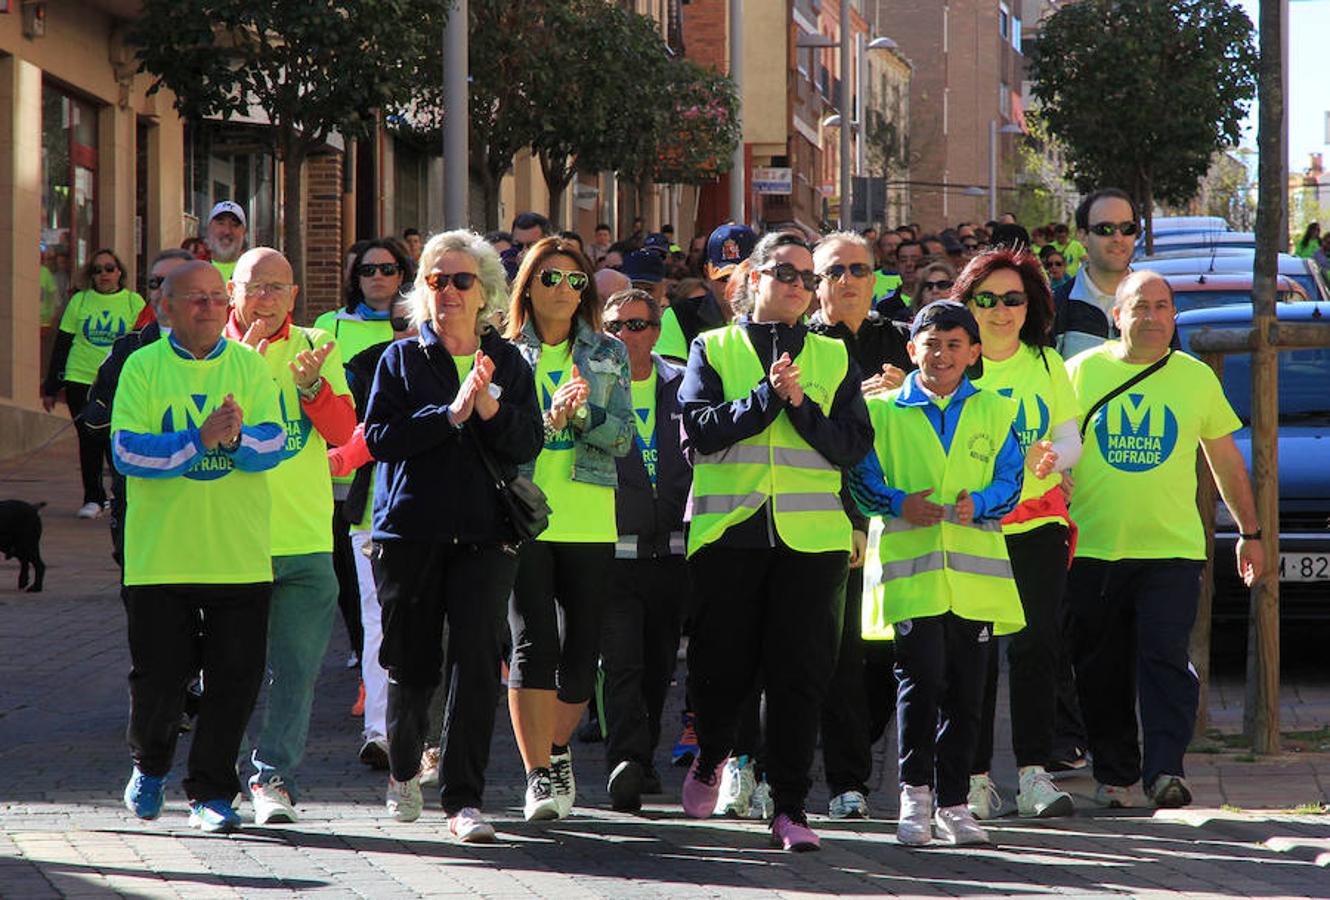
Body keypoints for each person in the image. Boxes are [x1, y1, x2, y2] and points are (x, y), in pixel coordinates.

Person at [678, 232, 873, 852]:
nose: (798, 286)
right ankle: (712, 754)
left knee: (799, 676)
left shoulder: (835, 357)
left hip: (811, 541)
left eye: (805, 278)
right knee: (721, 672)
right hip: (729, 535)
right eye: (784, 274)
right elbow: (698, 436)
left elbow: (851, 446)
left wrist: (800, 405)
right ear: (751, 280)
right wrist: (768, 397)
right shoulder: (712, 346)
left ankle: (790, 806)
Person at [361, 230, 543, 839]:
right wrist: (449, 414)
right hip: (410, 534)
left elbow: (527, 443)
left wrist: (489, 410)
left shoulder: (510, 362)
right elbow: (380, 438)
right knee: (412, 666)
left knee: (474, 665)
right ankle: (405, 769)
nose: (449, 291)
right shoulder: (401, 358)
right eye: (436, 280)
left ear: (485, 291)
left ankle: (464, 798)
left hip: (488, 538)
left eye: (461, 280)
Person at [1064, 269, 1262, 810]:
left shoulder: (1194, 377)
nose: (1151, 317)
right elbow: (1052, 453)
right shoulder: (1079, 372)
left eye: (1161, 306)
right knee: (1100, 669)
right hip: (1093, 549)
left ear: (1173, 317)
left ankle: (1165, 771)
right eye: (1139, 306)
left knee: (1165, 659)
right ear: (1117, 316)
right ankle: (1115, 773)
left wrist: (1250, 532)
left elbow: (1223, 460)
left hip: (1172, 549)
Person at [112, 260, 285, 834]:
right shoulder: (142, 366)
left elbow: (276, 442)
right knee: (159, 681)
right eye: (195, 299)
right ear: (166, 307)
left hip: (238, 558)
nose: (209, 307)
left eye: (217, 296)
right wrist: (199, 439)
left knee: (234, 681)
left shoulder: (249, 367)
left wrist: (235, 439)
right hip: (160, 560)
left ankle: (212, 793)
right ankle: (151, 765)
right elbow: (128, 453)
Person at [849, 299, 1029, 847]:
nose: (942, 354)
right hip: (912, 576)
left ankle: (954, 803)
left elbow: (1011, 478)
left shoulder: (999, 409)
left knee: (967, 694)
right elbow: (862, 478)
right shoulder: (881, 413)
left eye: (955, 345)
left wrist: (988, 503)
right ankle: (914, 797)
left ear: (974, 353)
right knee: (919, 684)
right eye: (931, 344)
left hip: (975, 582)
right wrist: (899, 502)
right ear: (912, 350)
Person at [223, 248, 355, 825]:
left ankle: (273, 779)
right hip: (229, 539)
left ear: (296, 295)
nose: (267, 299)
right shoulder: (210, 351)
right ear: (233, 291)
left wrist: (312, 390)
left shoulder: (316, 348)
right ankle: (213, 778)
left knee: (296, 672)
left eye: (279, 287)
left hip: (305, 539)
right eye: (255, 287)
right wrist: (240, 375)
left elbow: (346, 435)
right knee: (228, 668)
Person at [504, 236, 633, 821]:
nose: (563, 289)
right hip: (523, 515)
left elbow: (625, 437)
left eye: (576, 280)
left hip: (588, 516)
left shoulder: (608, 353)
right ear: (527, 286)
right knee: (534, 644)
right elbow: (493, 437)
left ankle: (556, 751)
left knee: (583, 654)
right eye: (550, 278)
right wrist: (541, 420)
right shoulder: (503, 351)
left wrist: (581, 415)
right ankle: (536, 775)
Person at [955, 248, 1081, 822]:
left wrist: (1057, 458)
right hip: (977, 527)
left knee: (1035, 650)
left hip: (1038, 524)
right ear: (969, 302)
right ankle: (975, 779)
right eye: (988, 299)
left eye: (1013, 299)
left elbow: (1071, 437)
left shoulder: (1048, 364)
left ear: (1030, 306)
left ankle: (1034, 774)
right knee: (975, 656)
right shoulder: (955, 359)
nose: (1001, 310)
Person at [807, 231, 912, 821]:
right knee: (839, 653)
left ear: (875, 279)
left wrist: (908, 394)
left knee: (887, 656)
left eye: (858, 270)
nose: (846, 280)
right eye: (834, 271)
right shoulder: (800, 343)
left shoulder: (899, 340)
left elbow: (947, 403)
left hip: (898, 521)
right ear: (817, 282)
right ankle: (848, 781)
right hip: (828, 521)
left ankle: (855, 747)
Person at [314, 238, 411, 763]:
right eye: (368, 270)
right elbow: (350, 426)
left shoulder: (474, 358)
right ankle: (380, 729)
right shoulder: (366, 359)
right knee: (375, 619)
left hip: (448, 515)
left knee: (426, 628)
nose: (405, 330)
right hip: (373, 505)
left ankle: (423, 735)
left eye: (389, 270)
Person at [598, 289, 691, 813]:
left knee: (658, 666)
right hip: (614, 550)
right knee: (622, 663)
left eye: (636, 325)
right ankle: (626, 761)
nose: (625, 336)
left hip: (674, 551)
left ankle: (643, 756)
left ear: (656, 331)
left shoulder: (682, 381)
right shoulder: (590, 384)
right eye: (614, 326)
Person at [85, 249, 196, 567]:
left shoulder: (224, 350)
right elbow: (96, 415)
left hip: (201, 502)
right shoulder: (128, 346)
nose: (161, 290)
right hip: (139, 497)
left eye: (172, 282)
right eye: (154, 282)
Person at [42, 248, 146, 518]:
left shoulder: (134, 302)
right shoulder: (80, 301)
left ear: (119, 272)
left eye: (109, 268)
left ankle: (120, 495)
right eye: (97, 270)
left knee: (115, 439)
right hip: (81, 379)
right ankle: (93, 498)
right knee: (88, 441)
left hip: (118, 381)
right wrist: (51, 387)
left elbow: (145, 342)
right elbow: (62, 345)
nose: (104, 275)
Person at [1052, 189, 1139, 357]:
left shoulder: (1155, 305)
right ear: (1083, 236)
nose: (1118, 238)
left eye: (1127, 228)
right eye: (1105, 229)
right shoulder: (1055, 307)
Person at [655, 224, 754, 362]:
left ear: (758, 275)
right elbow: (672, 378)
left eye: (744, 277)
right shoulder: (679, 316)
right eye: (724, 278)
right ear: (707, 273)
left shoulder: (778, 317)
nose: (733, 286)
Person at [204, 201, 247, 282]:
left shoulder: (254, 271)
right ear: (209, 229)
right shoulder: (193, 271)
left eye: (235, 225)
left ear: (244, 232)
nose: (227, 231)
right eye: (221, 223)